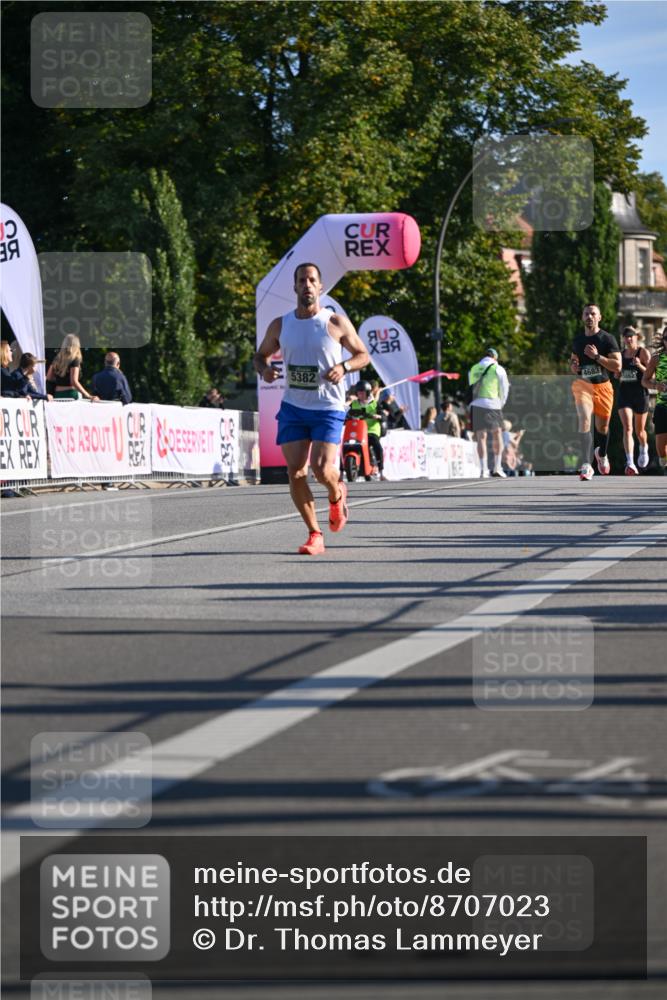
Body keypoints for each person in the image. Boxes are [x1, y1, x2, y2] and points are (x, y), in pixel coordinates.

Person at [254, 262, 369, 555]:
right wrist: (264, 370)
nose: (307, 284)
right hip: (294, 407)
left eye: (312, 280)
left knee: (320, 468)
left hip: (328, 407)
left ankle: (336, 493)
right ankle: (314, 534)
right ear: (294, 287)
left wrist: (344, 366)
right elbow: (260, 356)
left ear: (320, 287)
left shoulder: (335, 323)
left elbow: (362, 356)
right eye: (302, 280)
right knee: (295, 472)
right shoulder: (281, 324)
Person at [569, 304, 621, 480]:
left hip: (604, 387)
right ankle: (586, 464)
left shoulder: (607, 339)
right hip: (583, 385)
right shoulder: (577, 341)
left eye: (593, 314)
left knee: (603, 427)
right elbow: (573, 363)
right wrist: (574, 366)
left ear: (599, 317)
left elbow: (617, 366)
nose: (589, 317)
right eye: (586, 314)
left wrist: (597, 357)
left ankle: (602, 454)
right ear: (582, 317)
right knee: (584, 419)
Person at [468, 347, 510, 477]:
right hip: (493, 403)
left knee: (481, 437)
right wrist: (501, 404)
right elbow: (504, 389)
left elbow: (471, 386)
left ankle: (483, 469)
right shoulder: (498, 369)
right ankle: (497, 467)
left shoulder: (474, 368)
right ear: (495, 357)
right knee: (497, 435)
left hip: (476, 404)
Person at [615, 327, 650, 474]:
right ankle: (630, 463)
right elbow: (616, 375)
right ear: (623, 338)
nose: (628, 339)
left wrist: (639, 365)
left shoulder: (643, 352)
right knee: (627, 428)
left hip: (640, 394)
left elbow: (652, 375)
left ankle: (644, 448)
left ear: (637, 337)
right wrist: (617, 373)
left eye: (631, 336)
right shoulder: (620, 355)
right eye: (625, 336)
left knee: (639, 431)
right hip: (625, 394)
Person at [347, 380, 387, 480]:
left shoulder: (374, 404)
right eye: (359, 392)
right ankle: (342, 470)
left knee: (377, 446)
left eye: (363, 392)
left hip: (371, 431)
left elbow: (384, 416)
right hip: (358, 431)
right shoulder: (354, 403)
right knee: (348, 445)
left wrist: (378, 416)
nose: (360, 394)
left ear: (368, 392)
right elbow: (346, 413)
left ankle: (381, 471)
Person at [642, 326, 667, 475]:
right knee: (661, 450)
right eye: (666, 338)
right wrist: (655, 385)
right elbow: (644, 381)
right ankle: (664, 460)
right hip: (662, 407)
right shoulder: (657, 358)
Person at [46, 334, 98, 401]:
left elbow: (49, 377)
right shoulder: (75, 360)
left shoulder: (57, 359)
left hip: (57, 394)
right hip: (70, 394)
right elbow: (74, 381)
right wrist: (88, 395)